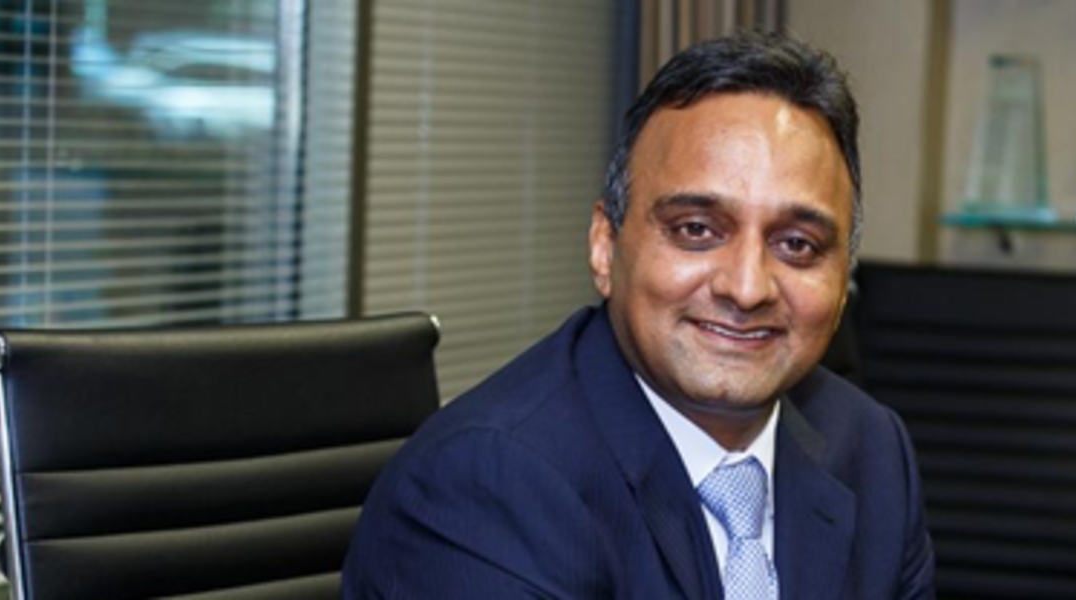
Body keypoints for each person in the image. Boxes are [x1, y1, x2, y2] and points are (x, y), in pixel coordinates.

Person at [343, 31, 934, 599]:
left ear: (842, 277)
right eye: (696, 230)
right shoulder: (483, 486)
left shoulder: (870, 450)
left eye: (797, 245)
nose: (747, 287)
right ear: (606, 246)